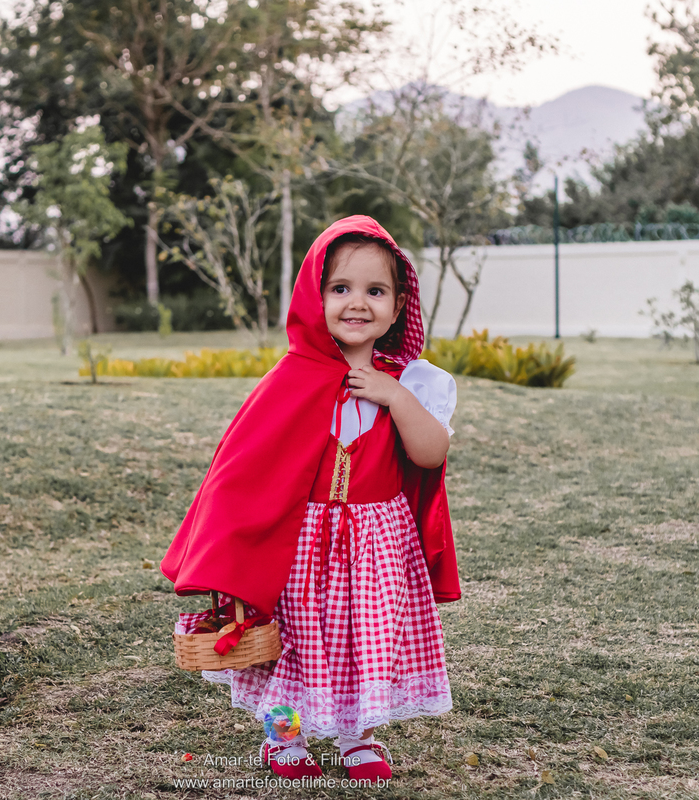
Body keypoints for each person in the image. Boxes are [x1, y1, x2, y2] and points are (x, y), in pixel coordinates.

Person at [162, 215, 460, 784]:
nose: (357, 303)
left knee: (365, 641)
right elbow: (240, 471)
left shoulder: (415, 381)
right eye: (340, 288)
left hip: (378, 545)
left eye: (376, 291)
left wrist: (394, 395)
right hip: (301, 545)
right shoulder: (292, 379)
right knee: (298, 645)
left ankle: (358, 737)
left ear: (398, 308)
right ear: (314, 297)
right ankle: (285, 738)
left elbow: (429, 454)